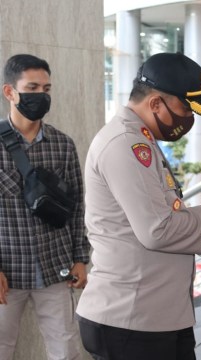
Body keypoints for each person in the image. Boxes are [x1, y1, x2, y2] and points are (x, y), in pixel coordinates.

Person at [76, 52, 201, 360]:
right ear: (155, 104)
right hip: (130, 320)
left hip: (154, 315)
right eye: (185, 107)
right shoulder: (125, 143)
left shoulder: (142, 138)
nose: (190, 117)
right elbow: (156, 229)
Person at [0, 54, 90, 359]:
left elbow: (77, 206)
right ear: (10, 92)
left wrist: (81, 257)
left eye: (47, 89)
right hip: (6, 273)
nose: (41, 96)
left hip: (56, 267)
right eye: (33, 87)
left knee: (65, 349)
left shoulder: (63, 144)